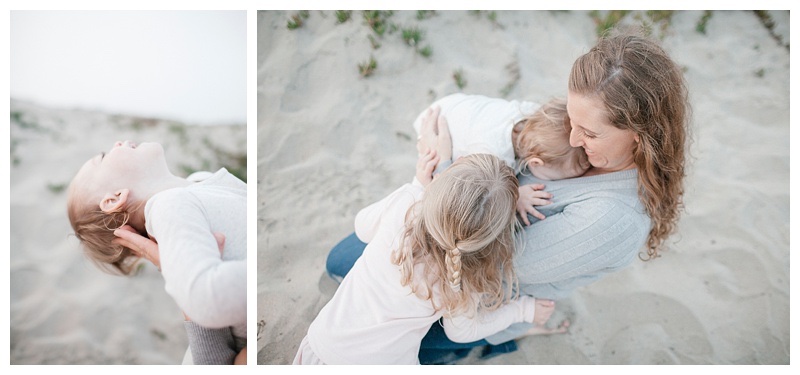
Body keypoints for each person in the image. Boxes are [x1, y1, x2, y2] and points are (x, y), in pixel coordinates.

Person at [326, 27, 690, 363]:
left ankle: (511, 331)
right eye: (572, 122)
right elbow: (516, 129)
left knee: (371, 327)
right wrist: (440, 147)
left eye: (590, 135)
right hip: (455, 225)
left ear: (641, 135)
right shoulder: (584, 122)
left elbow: (490, 260)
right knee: (340, 261)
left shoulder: (613, 220)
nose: (574, 140)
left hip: (478, 287)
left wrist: (443, 167)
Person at [294, 153, 557, 365]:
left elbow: (362, 226)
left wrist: (416, 186)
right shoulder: (466, 277)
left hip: (322, 349)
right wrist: (523, 310)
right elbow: (462, 332)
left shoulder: (405, 204)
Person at [67, 140, 247, 364]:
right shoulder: (169, 205)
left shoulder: (193, 186)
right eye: (104, 156)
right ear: (114, 198)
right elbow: (206, 297)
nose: (117, 143)